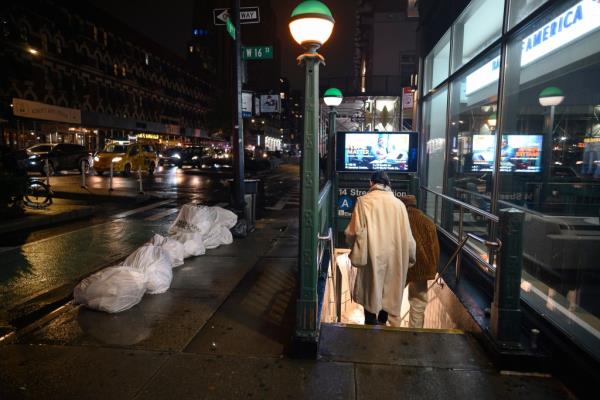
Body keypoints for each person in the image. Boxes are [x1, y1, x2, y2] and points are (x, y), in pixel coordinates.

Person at [345, 171, 416, 326]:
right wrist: (410, 257)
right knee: (388, 294)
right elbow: (408, 237)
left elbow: (353, 232)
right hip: (395, 256)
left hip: (372, 255)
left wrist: (351, 245)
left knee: (371, 293)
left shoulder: (363, 201)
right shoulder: (399, 205)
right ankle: (383, 325)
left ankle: (370, 328)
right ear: (388, 184)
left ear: (372, 183)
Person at [400, 195, 440, 328]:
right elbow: (434, 248)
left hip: (401, 266)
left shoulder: (399, 221)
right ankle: (414, 333)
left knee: (392, 300)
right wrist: (432, 269)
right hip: (421, 267)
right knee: (418, 302)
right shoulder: (428, 222)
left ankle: (392, 329)